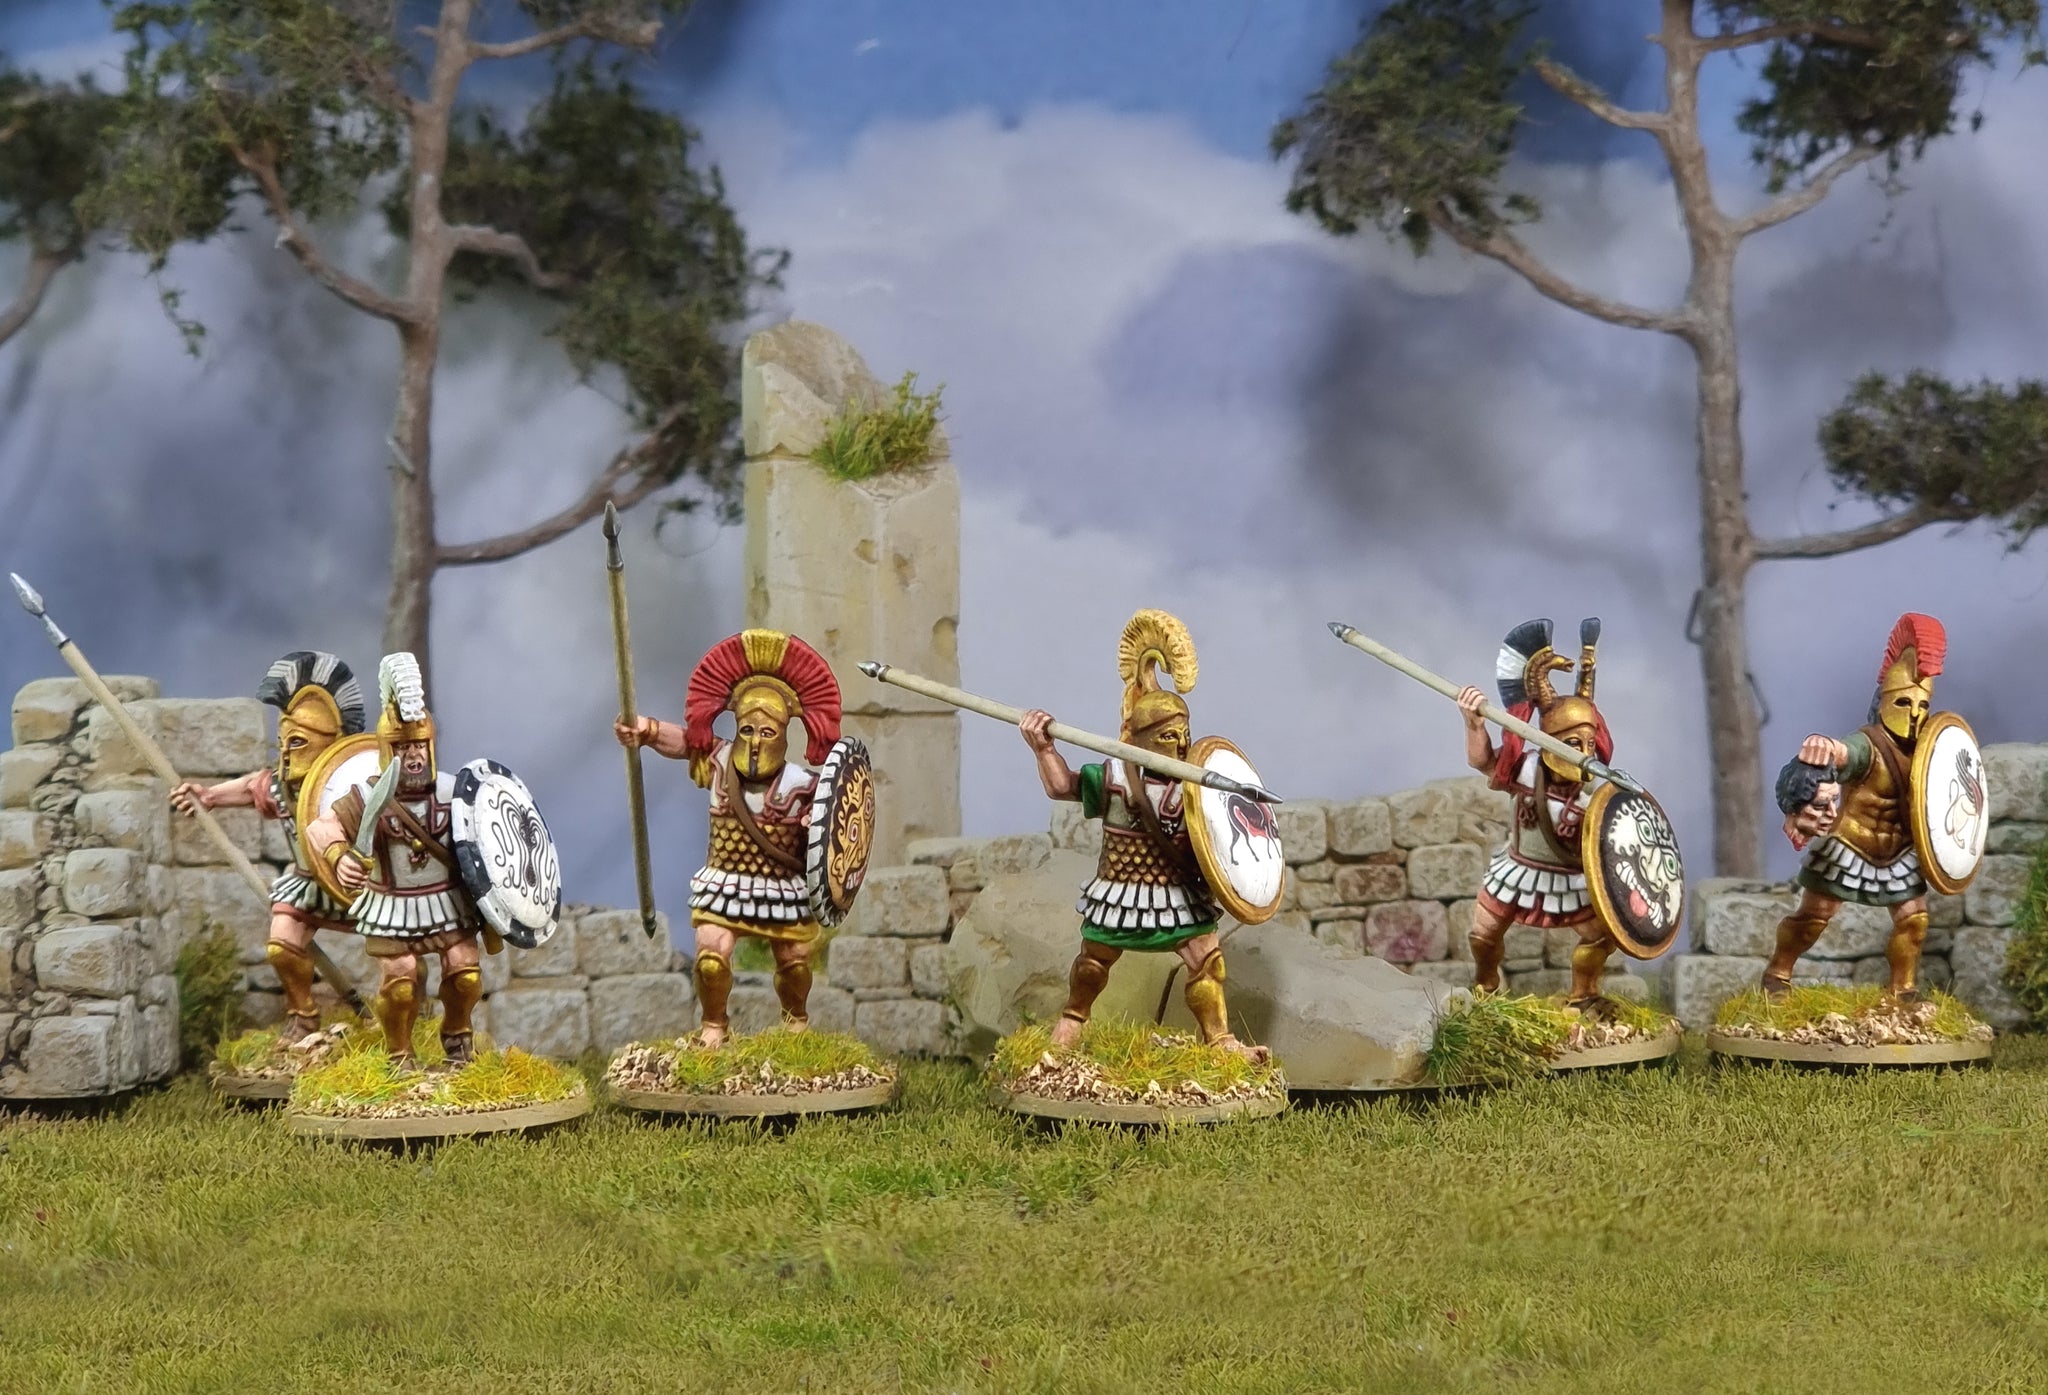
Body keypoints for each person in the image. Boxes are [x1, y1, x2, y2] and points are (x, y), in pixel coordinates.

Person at [1018, 608, 1266, 1061]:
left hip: (1177, 891)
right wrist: (1043, 747)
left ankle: (1220, 1041)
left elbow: (1221, 835)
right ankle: (1071, 1024)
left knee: (1207, 962)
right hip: (1121, 889)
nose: (1180, 744)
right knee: (1092, 964)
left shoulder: (1194, 785)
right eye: (1169, 736)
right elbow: (1061, 786)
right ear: (1142, 738)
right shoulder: (1114, 776)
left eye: (1184, 734)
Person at [615, 629, 842, 1049]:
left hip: (782, 885)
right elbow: (685, 741)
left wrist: (816, 824)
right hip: (726, 880)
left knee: (794, 960)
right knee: (710, 954)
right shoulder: (720, 762)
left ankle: (795, 1024)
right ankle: (714, 1027)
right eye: (747, 729)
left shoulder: (804, 785)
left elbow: (838, 823)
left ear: (784, 734)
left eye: (767, 732)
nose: (755, 740)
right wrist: (646, 730)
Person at [169, 651, 365, 1045]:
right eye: (282, 743)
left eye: (298, 742)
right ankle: (303, 1016)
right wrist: (209, 796)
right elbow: (251, 787)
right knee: (282, 945)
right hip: (312, 883)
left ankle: (407, 1021)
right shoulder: (285, 786)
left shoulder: (357, 783)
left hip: (366, 885)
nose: (287, 754)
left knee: (401, 956)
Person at [305, 653, 493, 1065]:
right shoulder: (368, 795)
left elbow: (493, 834)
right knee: (400, 981)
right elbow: (320, 829)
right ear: (387, 748)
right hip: (393, 904)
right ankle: (399, 1054)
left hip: (448, 900)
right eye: (403, 747)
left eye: (419, 745)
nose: (413, 755)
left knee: (465, 972)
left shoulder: (454, 791)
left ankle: (457, 1039)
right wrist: (339, 856)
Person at [1764, 614, 1947, 1001]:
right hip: (1849, 847)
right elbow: (1841, 755)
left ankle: (1903, 991)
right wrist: (1824, 748)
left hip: (1899, 853)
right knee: (1813, 919)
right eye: (1904, 702)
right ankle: (1778, 973)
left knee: (1914, 921)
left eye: (1922, 704)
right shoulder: (1868, 745)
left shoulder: (1929, 752)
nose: (1914, 713)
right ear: (1883, 703)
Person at [1455, 618, 1621, 1013]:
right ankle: (1485, 987)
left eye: (1588, 743)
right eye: (1572, 743)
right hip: (1519, 869)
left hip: (1571, 877)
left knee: (1600, 937)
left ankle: (1584, 996)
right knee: (1483, 933)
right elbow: (1482, 761)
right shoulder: (1525, 769)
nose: (1583, 752)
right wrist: (1473, 723)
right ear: (1549, 742)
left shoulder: (1596, 792)